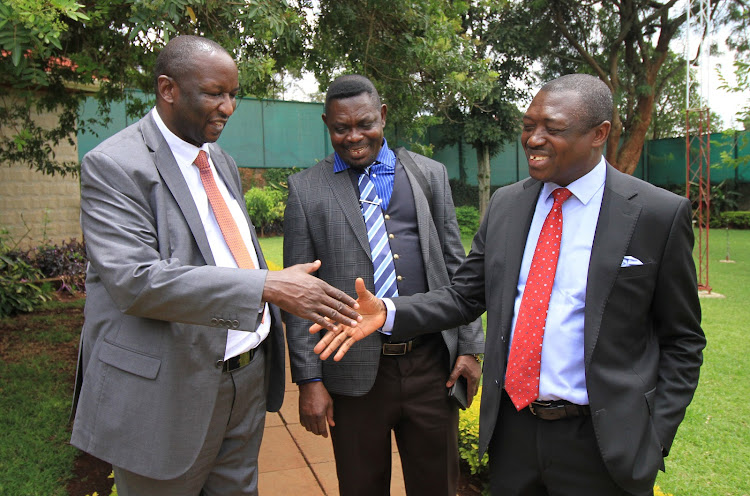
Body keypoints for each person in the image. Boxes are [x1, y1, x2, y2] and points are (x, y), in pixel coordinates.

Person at [312, 74, 706, 496]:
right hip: (514, 435)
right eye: (528, 125)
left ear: (599, 134)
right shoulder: (508, 204)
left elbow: (683, 341)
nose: (533, 139)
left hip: (602, 443)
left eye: (552, 129)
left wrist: (654, 437)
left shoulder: (656, 215)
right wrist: (390, 312)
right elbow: (464, 295)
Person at [70, 35, 360, 496]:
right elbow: (136, 282)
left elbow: (225, 250)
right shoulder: (114, 166)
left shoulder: (218, 160)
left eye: (232, 94)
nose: (228, 106)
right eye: (213, 93)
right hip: (167, 391)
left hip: (244, 382)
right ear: (168, 89)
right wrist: (266, 286)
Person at [283, 74, 484, 496]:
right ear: (327, 124)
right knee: (360, 487)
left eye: (365, 124)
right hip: (352, 373)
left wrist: (469, 346)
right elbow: (297, 297)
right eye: (341, 128)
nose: (354, 136)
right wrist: (309, 381)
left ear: (384, 116)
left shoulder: (429, 175)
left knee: (437, 486)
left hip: (432, 366)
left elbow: (455, 266)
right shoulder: (306, 190)